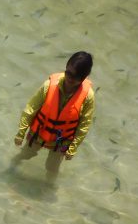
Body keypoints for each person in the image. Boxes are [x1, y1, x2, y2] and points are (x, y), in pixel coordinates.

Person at [12, 51, 95, 181]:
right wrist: (21, 132)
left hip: (61, 140)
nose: (70, 79)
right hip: (38, 133)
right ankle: (10, 171)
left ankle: (47, 188)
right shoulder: (49, 86)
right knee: (25, 155)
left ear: (84, 78)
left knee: (52, 167)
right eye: (69, 73)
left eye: (77, 77)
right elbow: (31, 108)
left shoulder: (88, 97)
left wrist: (72, 148)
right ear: (66, 68)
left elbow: (84, 125)